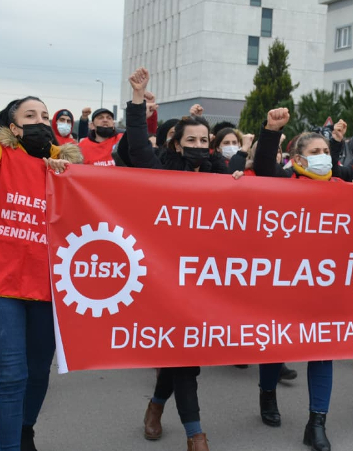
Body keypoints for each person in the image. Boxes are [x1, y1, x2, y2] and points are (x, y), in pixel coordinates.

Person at [0, 37, 82, 451]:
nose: (41, 121)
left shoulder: (70, 171)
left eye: (45, 115)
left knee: (39, 372)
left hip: (48, 285)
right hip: (0, 285)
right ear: (13, 128)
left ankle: (25, 431)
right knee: (11, 376)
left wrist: (66, 172)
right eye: (31, 115)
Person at [252, 106, 353, 451]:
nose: (324, 156)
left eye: (326, 151)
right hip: (285, 285)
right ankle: (267, 395)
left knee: (322, 352)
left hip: (325, 288)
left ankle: (316, 423)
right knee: (276, 344)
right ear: (297, 160)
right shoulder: (283, 184)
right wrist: (271, 130)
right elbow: (263, 168)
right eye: (315, 151)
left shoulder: (344, 187)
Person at [125, 67, 215, 451]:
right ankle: (196, 435)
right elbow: (136, 147)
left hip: (205, 281)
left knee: (181, 354)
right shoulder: (160, 172)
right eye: (191, 139)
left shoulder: (221, 177)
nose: (198, 144)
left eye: (204, 140)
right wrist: (137, 101)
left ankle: (156, 405)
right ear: (177, 145)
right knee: (185, 358)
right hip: (163, 280)